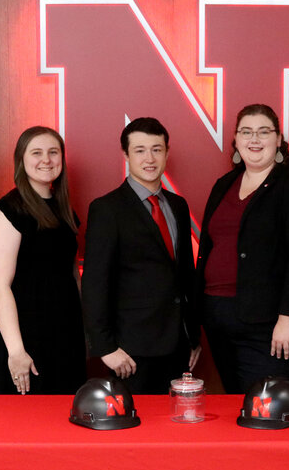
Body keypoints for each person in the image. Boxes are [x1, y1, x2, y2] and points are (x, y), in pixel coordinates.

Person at [195, 104, 289, 394]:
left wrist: (288, 317)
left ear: (278, 139)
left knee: (263, 405)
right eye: (246, 132)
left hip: (269, 322)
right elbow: (209, 246)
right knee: (235, 401)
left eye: (263, 132)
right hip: (218, 316)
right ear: (237, 140)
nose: (254, 139)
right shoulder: (224, 185)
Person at [82, 117, 201, 394]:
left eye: (157, 149)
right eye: (139, 150)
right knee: (135, 430)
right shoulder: (106, 209)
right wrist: (105, 347)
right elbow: (95, 282)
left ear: (167, 152)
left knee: (173, 427)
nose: (150, 158)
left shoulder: (178, 206)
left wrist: (193, 335)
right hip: (130, 351)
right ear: (125, 155)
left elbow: (185, 273)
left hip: (177, 345)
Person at [0, 126, 86, 395]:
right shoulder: (8, 212)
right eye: (37, 152)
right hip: (26, 339)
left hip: (65, 336)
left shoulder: (63, 209)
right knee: (25, 427)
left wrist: (83, 331)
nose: (46, 160)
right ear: (21, 160)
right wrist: (16, 351)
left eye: (53, 152)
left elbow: (71, 273)